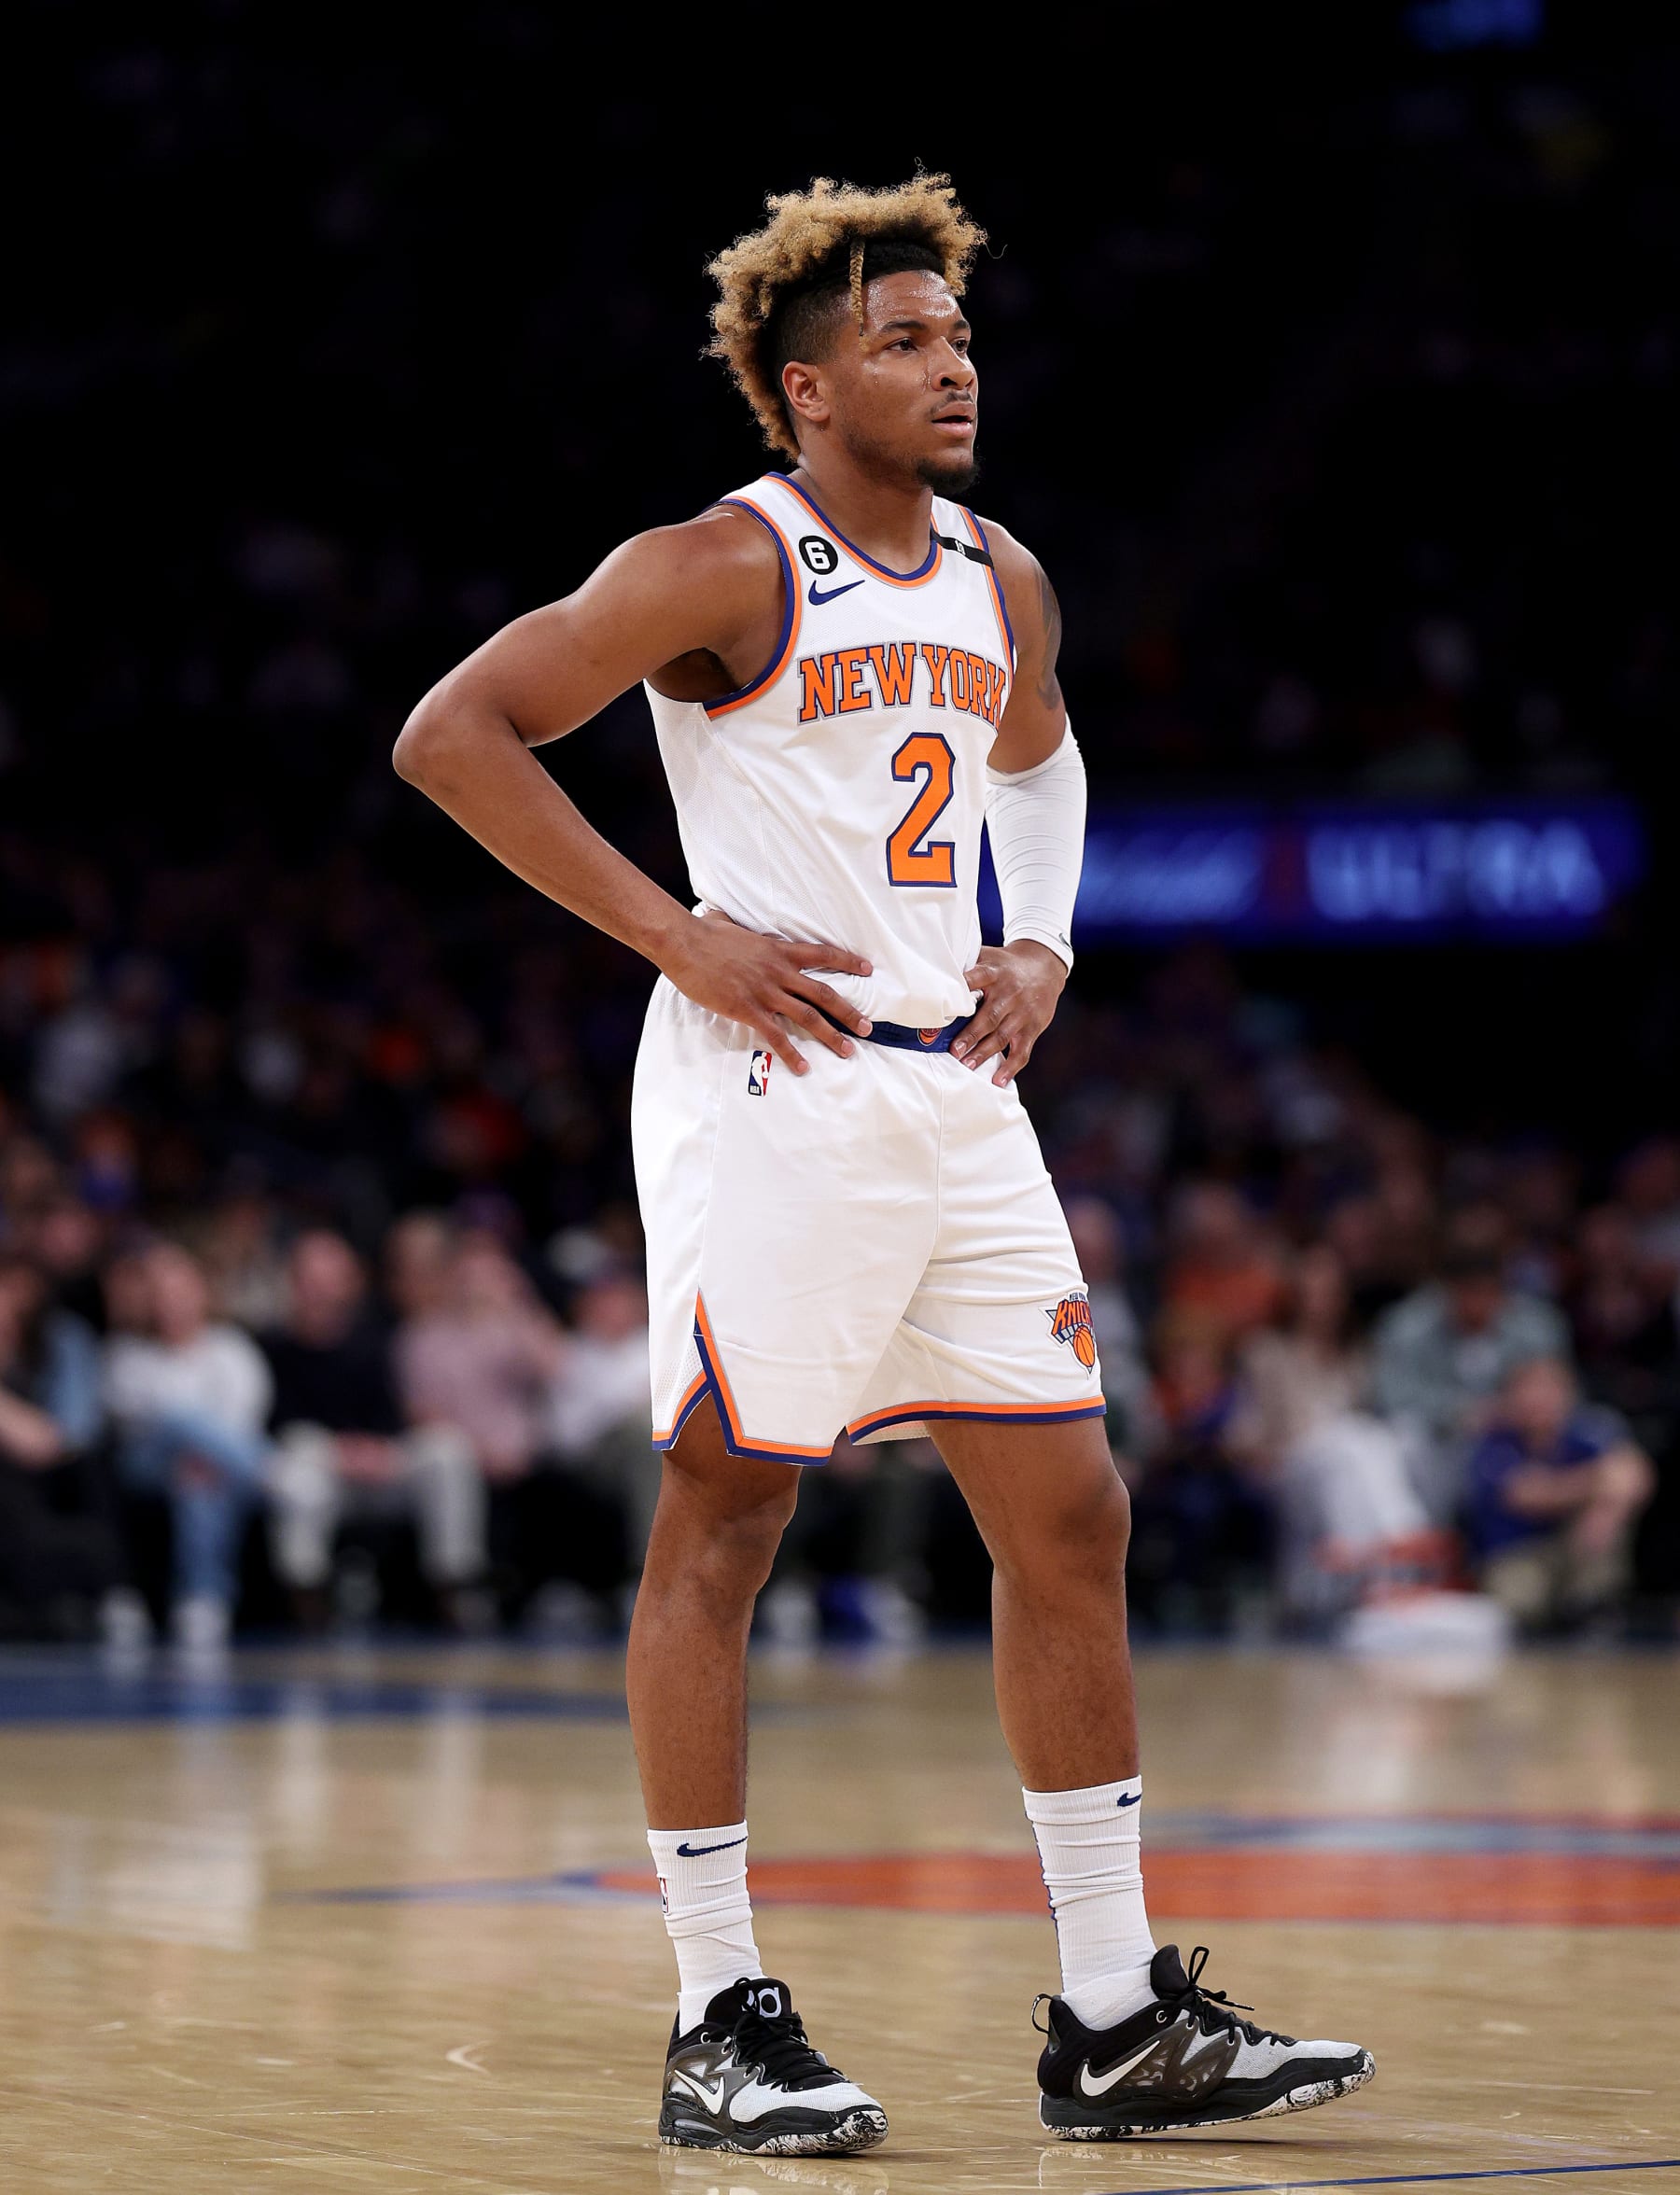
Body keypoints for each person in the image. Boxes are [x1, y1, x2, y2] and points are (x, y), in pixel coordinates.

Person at [395, 173, 1372, 2154]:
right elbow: (456, 731)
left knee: (1074, 1516)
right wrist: (676, 932)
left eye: (962, 336)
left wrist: (1048, 940)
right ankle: (716, 2017)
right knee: (728, 1520)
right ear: (802, 383)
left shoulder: (1005, 574)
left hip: (956, 1093)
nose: (957, 367)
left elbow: (1045, 751)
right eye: (910, 343)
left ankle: (1114, 2021)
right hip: (778, 1087)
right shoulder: (717, 566)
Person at [263, 1229, 485, 1629]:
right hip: (324, 1467)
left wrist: (379, 1449)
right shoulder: (272, 1346)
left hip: (383, 1466)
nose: (321, 1292)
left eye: (330, 1280)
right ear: (293, 1284)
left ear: (351, 1283)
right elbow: (275, 1425)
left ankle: (454, 1584)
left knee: (446, 1449)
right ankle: (306, 1592)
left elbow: (400, 1411)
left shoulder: (384, 1337)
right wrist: (340, 1450)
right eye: (310, 1280)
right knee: (299, 1457)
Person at [103, 1240, 272, 1651]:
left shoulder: (233, 1350)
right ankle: (274, 1472)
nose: (172, 1304)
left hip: (210, 1470)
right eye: (162, 1295)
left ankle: (202, 1601)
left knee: (201, 1482)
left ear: (202, 1292)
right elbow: (138, 1424)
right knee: (181, 1419)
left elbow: (240, 1424)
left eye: (181, 1292)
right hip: (146, 1467)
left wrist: (206, 1454)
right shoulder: (128, 1355)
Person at [1465, 1355, 1654, 1630]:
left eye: (1549, 1389)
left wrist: (1607, 1507)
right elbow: (1527, 1495)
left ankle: (1592, 1608)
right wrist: (1599, 1484)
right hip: (1516, 1553)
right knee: (1518, 1606)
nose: (1538, 1400)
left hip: (1573, 1546)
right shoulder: (1494, 1440)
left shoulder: (1590, 1430)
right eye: (1528, 1390)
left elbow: (1635, 1474)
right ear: (1510, 1397)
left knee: (1608, 1520)